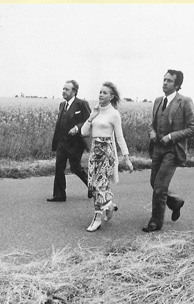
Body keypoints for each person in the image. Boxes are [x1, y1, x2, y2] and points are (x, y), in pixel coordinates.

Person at [143, 69, 194, 232]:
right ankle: (175, 202)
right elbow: (152, 123)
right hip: (157, 148)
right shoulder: (158, 101)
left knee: (159, 186)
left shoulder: (185, 101)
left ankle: (155, 222)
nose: (164, 83)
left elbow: (192, 128)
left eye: (169, 81)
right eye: (164, 79)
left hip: (173, 150)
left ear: (177, 85)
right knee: (154, 182)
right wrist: (151, 131)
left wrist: (171, 136)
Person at [81, 82, 133, 232]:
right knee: (93, 186)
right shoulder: (96, 111)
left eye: (105, 93)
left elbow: (120, 137)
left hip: (106, 154)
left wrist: (126, 158)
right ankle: (109, 206)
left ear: (111, 97)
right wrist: (91, 116)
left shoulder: (114, 114)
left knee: (99, 186)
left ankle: (97, 218)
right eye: (100, 92)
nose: (101, 95)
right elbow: (83, 132)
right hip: (94, 153)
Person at [48, 80, 91, 202]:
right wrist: (56, 143)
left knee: (75, 167)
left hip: (76, 143)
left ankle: (92, 185)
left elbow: (89, 120)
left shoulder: (81, 104)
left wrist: (77, 127)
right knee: (59, 167)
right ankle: (59, 195)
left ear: (74, 91)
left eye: (67, 89)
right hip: (62, 142)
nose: (64, 91)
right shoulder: (62, 105)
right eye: (63, 89)